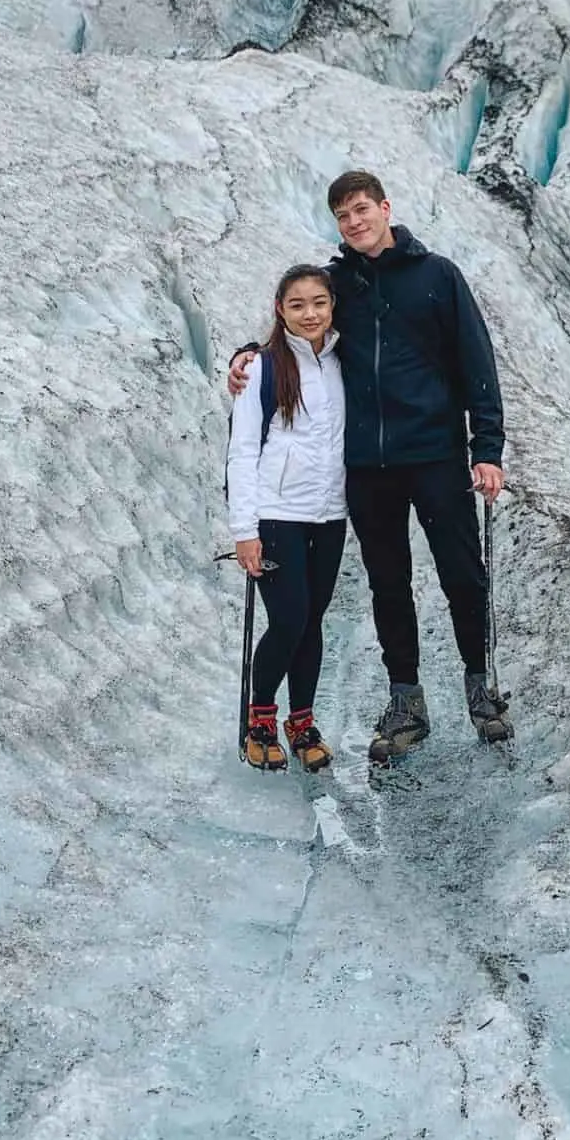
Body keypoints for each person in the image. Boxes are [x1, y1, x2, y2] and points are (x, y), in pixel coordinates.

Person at [231, 171, 508, 765]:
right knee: (389, 583)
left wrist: (486, 448)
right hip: (368, 468)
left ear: (385, 208)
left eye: (362, 210)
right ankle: (406, 701)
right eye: (343, 216)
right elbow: (292, 328)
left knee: (463, 573)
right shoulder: (337, 285)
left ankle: (481, 689)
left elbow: (476, 361)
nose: (354, 222)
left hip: (434, 454)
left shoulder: (438, 277)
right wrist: (245, 355)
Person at [225, 264, 346, 772]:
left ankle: (301, 721)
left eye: (319, 302)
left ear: (332, 306)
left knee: (312, 622)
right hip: (277, 515)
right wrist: (244, 530)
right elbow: (242, 448)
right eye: (297, 305)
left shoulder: (343, 362)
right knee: (289, 619)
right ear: (280, 310)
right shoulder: (262, 368)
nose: (310, 313)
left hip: (330, 513)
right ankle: (261, 719)